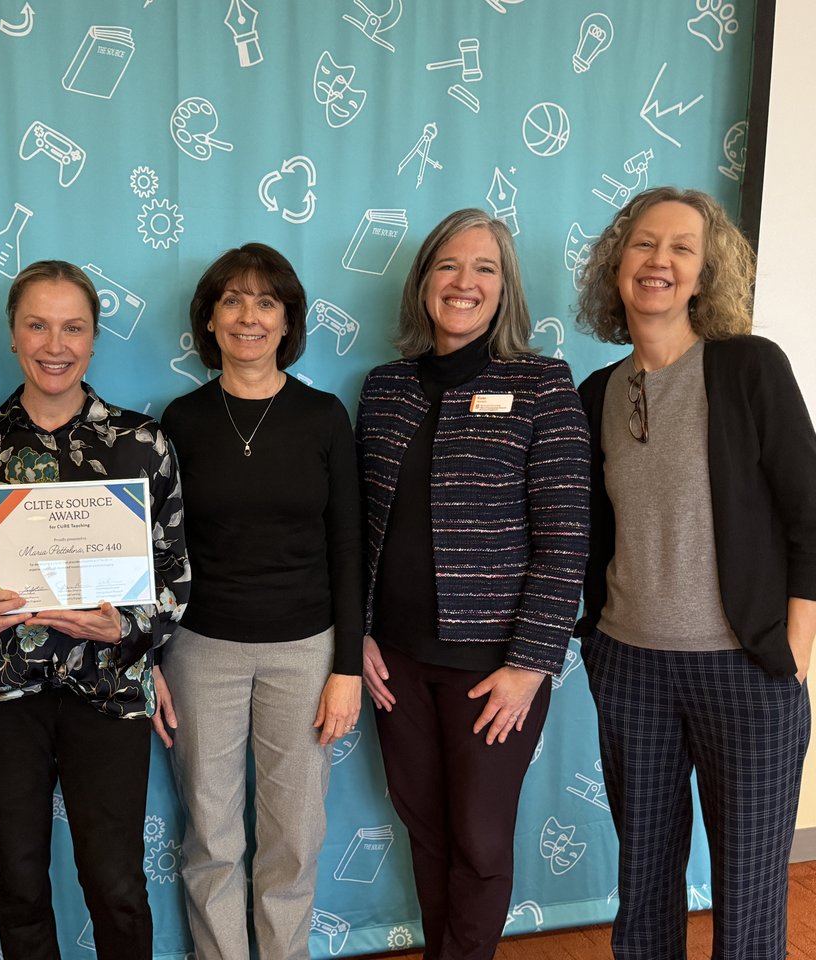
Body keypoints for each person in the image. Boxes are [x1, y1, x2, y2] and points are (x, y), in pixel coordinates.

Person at [574, 186, 816, 959]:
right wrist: (595, 641)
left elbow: (812, 517)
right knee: (644, 882)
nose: (660, 261)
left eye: (682, 249)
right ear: (617, 265)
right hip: (630, 669)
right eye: (645, 244)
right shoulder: (597, 395)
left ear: (704, 274)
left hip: (745, 671)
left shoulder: (749, 367)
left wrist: (791, 651)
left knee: (749, 893)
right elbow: (594, 537)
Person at [0, 260, 190, 960]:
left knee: (117, 882)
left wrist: (125, 628)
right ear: (12, 334)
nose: (55, 343)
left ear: (95, 339)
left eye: (73, 327)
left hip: (109, 689)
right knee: (20, 880)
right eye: (38, 324)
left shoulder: (142, 444)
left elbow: (176, 574)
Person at [357, 209, 590, 960]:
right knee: (424, 828)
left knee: (481, 839)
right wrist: (355, 633)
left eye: (484, 268)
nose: (465, 282)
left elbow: (566, 537)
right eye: (449, 266)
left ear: (505, 288)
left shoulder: (543, 382)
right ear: (424, 281)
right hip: (396, 659)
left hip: (495, 665)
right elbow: (362, 529)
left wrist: (528, 665)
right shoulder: (385, 388)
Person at [155, 243, 362, 960]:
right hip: (199, 650)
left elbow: (348, 548)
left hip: (306, 652)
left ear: (287, 321)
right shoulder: (178, 421)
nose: (249, 316)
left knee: (294, 837)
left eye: (266, 301)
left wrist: (348, 669)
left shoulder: (324, 417)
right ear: (209, 320)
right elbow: (158, 549)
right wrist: (148, 656)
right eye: (234, 300)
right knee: (211, 837)